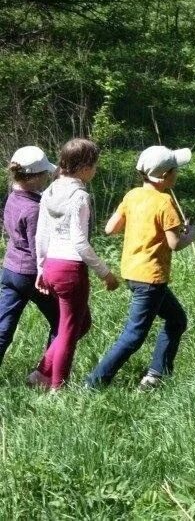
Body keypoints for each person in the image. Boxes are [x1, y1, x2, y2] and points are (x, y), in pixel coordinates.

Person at [85, 146, 195, 389]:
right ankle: (94, 382)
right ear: (166, 175)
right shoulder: (165, 202)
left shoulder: (132, 195)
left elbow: (110, 228)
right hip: (152, 278)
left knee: (177, 320)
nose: (177, 173)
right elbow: (175, 243)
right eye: (175, 170)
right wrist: (191, 235)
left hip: (132, 273)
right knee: (134, 335)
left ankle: (156, 375)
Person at [31, 139, 119, 390]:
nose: (95, 171)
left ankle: (40, 374)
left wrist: (40, 268)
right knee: (69, 331)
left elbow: (41, 234)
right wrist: (105, 273)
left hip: (51, 266)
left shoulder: (49, 191)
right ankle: (58, 387)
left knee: (81, 323)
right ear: (83, 167)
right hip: (70, 269)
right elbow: (80, 242)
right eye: (94, 166)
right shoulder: (80, 196)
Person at [0, 147, 59, 370]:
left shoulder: (13, 198)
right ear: (34, 177)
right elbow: (39, 251)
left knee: (3, 327)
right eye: (44, 173)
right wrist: (49, 279)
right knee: (64, 322)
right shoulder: (34, 209)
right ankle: (47, 372)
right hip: (30, 275)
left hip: (10, 271)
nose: (46, 176)